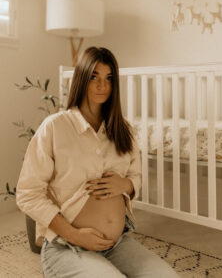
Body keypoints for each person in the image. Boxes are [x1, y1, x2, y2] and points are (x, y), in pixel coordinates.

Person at [16, 47, 179, 278]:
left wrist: (126, 185)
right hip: (67, 246)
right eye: (94, 77)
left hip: (116, 244)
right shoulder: (55, 127)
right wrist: (75, 235)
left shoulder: (124, 130)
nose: (103, 85)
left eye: (109, 78)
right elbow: (27, 193)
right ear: (82, 79)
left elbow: (136, 177)